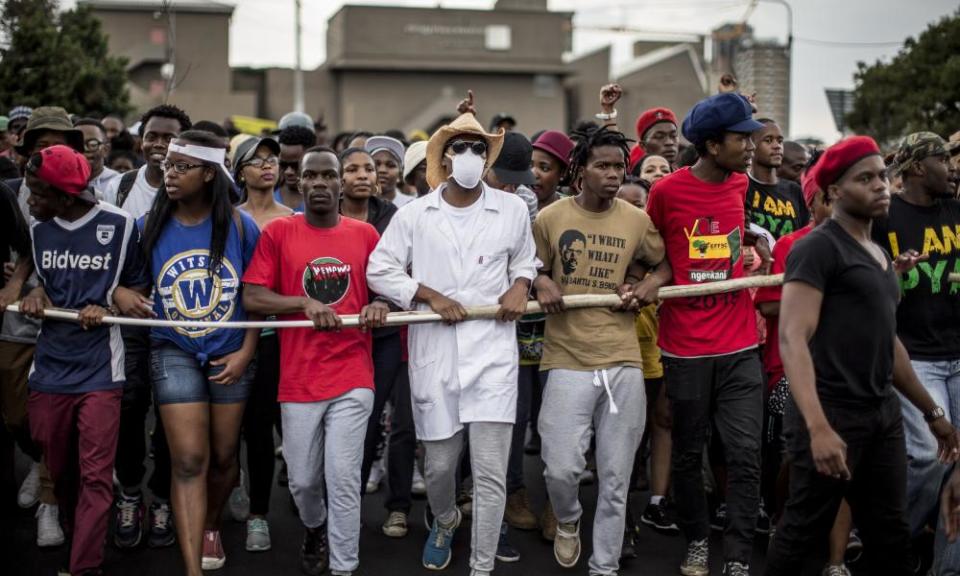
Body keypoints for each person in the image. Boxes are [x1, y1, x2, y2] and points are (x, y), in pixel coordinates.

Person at [765, 136, 960, 576]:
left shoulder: (878, 254)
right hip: (830, 413)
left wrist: (932, 413)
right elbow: (793, 338)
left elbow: (888, 344)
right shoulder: (817, 248)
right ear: (833, 191)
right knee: (800, 536)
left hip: (881, 415)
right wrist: (817, 428)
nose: (881, 187)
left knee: (890, 537)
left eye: (882, 177)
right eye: (865, 179)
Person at [367, 112, 538, 576]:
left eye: (479, 149)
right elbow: (380, 270)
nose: (470, 156)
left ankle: (481, 566)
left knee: (489, 472)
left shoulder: (512, 209)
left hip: (493, 352)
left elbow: (525, 260)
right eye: (460, 148)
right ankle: (444, 518)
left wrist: (522, 284)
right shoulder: (415, 214)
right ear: (442, 157)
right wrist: (428, 295)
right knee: (440, 467)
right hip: (436, 353)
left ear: (488, 160)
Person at [243, 147, 386, 576]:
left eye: (329, 176)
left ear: (342, 182)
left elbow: (388, 288)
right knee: (304, 481)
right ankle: (314, 525)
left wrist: (379, 304)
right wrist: (303, 302)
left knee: (343, 477)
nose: (320, 184)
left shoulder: (364, 235)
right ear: (298, 183)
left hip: (352, 372)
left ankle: (344, 566)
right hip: (299, 377)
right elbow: (252, 295)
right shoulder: (279, 233)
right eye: (311, 177)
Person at [533, 125, 667, 575]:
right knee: (560, 469)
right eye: (603, 166)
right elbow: (524, 267)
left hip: (623, 360)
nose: (612, 175)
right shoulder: (550, 218)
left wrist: (648, 283)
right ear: (580, 170)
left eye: (618, 167)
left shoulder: (635, 218)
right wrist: (541, 279)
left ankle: (604, 565)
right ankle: (568, 518)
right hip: (567, 358)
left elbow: (664, 262)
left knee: (615, 477)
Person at [645, 92, 768, 576]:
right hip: (686, 348)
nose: (751, 145)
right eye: (742, 137)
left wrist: (755, 244)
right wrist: (652, 281)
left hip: (740, 344)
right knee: (688, 453)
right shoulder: (666, 193)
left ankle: (737, 557)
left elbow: (735, 236)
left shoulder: (740, 184)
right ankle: (697, 539)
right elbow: (658, 255)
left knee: (744, 451)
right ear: (713, 145)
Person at [19, 144, 148, 576]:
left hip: (100, 369)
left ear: (66, 195)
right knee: (61, 469)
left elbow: (137, 287)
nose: (29, 198)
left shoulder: (121, 224)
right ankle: (79, 526)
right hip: (50, 369)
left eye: (37, 191)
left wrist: (110, 301)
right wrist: (34, 293)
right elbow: (38, 281)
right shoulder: (39, 229)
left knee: (95, 475)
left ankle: (84, 565)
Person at [138, 130, 261, 575]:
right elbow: (128, 287)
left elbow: (255, 296)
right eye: (167, 165)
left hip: (231, 353)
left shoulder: (243, 227)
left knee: (225, 457)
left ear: (209, 174)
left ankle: (210, 520)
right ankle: (191, 568)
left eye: (181, 167)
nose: (169, 174)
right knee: (189, 459)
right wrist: (121, 295)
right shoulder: (146, 227)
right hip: (173, 350)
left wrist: (247, 351)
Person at [873, 132, 960, 575]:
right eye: (944, 159)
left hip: (958, 354)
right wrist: (895, 275)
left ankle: (945, 568)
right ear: (918, 168)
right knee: (929, 456)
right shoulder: (885, 217)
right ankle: (888, 545)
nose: (952, 167)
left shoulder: (957, 210)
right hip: (914, 356)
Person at [1, 105, 86, 548]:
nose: (47, 149)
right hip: (15, 320)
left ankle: (51, 506)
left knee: (55, 416)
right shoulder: (10, 192)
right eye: (39, 142)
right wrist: (14, 279)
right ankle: (37, 461)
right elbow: (21, 248)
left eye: (58, 141)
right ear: (24, 150)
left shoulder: (82, 196)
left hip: (64, 320)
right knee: (17, 415)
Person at [110, 104, 192, 552]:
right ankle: (128, 491)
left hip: (179, 323)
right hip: (130, 323)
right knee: (128, 407)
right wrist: (116, 290)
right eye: (153, 136)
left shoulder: (195, 186)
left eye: (169, 138)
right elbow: (101, 250)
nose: (159, 145)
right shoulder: (120, 186)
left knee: (170, 416)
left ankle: (161, 498)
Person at [338, 146, 418, 540]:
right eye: (352, 168)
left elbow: (406, 269)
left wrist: (384, 300)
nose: (365, 175)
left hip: (393, 335)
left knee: (404, 422)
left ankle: (398, 507)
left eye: (370, 168)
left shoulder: (396, 218)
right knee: (362, 424)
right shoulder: (326, 215)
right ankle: (346, 508)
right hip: (346, 337)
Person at [233, 136, 293, 552]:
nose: (267, 167)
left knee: (265, 428)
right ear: (240, 171)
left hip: (281, 339)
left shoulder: (293, 219)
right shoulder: (228, 218)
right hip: (232, 334)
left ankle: (259, 513)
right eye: (256, 161)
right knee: (235, 431)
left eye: (272, 160)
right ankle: (238, 490)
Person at [616, 176, 678, 538]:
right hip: (617, 354)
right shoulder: (610, 251)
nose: (628, 210)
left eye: (637, 204)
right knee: (623, 438)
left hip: (656, 350)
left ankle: (655, 503)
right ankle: (621, 519)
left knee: (658, 424)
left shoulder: (659, 254)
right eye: (621, 203)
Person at [748, 120, 810, 239]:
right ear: (751, 145)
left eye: (780, 141)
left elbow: (803, 235)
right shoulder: (742, 187)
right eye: (768, 140)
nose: (777, 146)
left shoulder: (795, 191)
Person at [74, 119, 121, 203]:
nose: (85, 149)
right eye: (78, 144)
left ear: (106, 149)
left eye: (92, 144)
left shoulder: (119, 184)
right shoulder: (61, 183)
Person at [531, 130, 575, 211]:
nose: (533, 173)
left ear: (563, 173)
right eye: (530, 165)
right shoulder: (513, 205)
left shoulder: (572, 211)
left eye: (544, 168)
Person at [365, 136, 414, 208]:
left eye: (390, 165)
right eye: (376, 164)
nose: (382, 170)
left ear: (400, 176)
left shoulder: (411, 205)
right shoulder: (357, 205)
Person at [277, 125, 317, 212]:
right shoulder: (269, 195)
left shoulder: (324, 199)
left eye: (295, 165)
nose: (288, 172)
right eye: (283, 165)